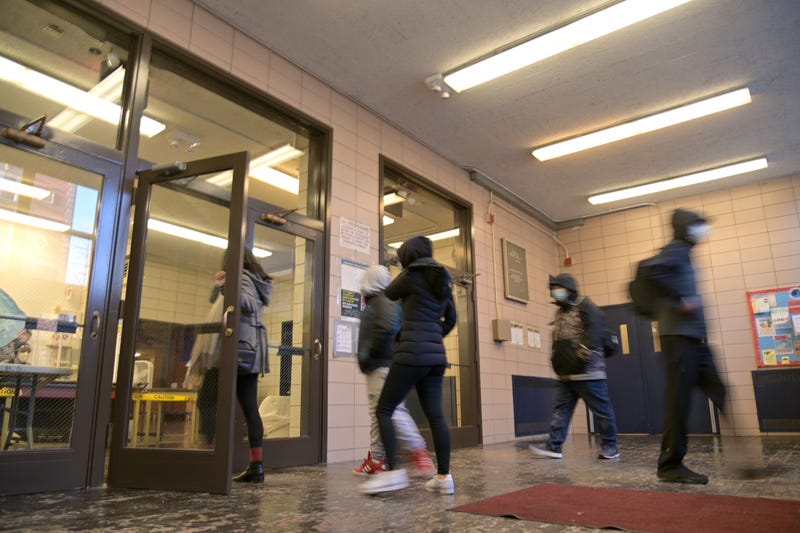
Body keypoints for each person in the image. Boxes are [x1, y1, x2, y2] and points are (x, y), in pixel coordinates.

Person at [359, 236, 457, 495]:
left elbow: (389, 293)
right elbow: (451, 319)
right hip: (436, 357)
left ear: (408, 256)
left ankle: (392, 473)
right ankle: (444, 478)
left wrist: (412, 335)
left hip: (411, 354)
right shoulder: (443, 279)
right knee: (436, 416)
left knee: (384, 409)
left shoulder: (412, 275)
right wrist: (433, 335)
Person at [647, 208, 726, 484]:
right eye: (697, 225)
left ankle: (744, 456)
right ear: (685, 227)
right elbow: (653, 271)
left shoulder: (685, 253)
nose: (702, 230)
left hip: (694, 340)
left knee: (719, 391)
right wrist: (679, 299)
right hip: (679, 340)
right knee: (678, 402)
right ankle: (670, 465)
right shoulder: (676, 249)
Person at [352, 265, 436, 477]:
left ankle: (420, 454)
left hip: (382, 365)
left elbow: (387, 328)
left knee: (393, 412)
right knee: (378, 414)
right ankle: (377, 459)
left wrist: (368, 354)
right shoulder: (380, 301)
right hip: (379, 366)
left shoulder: (383, 301)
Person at [530, 273, 619, 461]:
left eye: (558, 288)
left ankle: (610, 447)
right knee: (560, 411)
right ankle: (554, 446)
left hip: (589, 373)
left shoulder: (586, 305)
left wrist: (582, 356)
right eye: (553, 290)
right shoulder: (560, 312)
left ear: (569, 289)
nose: (555, 292)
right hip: (567, 374)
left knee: (602, 412)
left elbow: (595, 330)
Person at [215, 248, 273, 483]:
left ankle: (222, 460)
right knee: (249, 408)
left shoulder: (243, 277)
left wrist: (225, 285)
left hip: (243, 348)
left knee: (239, 406)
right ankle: (255, 465)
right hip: (251, 347)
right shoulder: (253, 278)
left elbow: (246, 303)